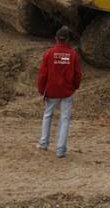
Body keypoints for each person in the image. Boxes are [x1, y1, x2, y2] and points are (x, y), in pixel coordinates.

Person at [37, 26, 82, 158]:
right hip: (67, 92)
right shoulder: (73, 54)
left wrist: (42, 91)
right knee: (65, 119)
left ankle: (44, 143)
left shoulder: (49, 53)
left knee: (47, 115)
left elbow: (42, 75)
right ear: (68, 39)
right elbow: (78, 74)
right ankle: (60, 150)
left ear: (56, 38)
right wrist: (75, 87)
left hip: (51, 91)